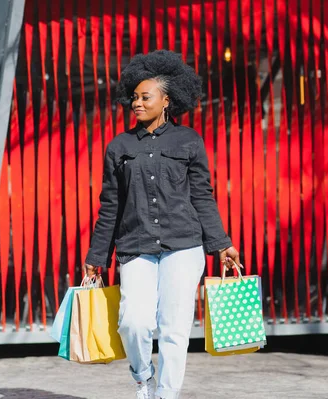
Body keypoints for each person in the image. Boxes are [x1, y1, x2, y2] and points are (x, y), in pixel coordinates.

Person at [83, 50, 241, 399]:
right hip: (135, 245)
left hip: (184, 245)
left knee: (174, 328)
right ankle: (143, 378)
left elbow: (202, 196)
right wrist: (97, 256)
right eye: (134, 98)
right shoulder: (119, 146)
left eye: (145, 97)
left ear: (166, 100)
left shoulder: (188, 141)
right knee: (133, 321)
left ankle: (167, 395)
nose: (136, 103)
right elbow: (111, 205)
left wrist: (221, 244)